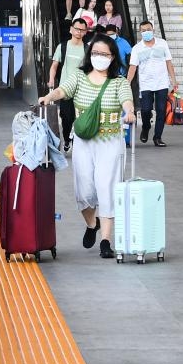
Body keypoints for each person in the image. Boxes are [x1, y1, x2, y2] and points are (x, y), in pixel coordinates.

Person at [38, 35, 135, 260]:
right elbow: (63, 90)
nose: (100, 58)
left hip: (110, 142)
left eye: (105, 54)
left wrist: (129, 111)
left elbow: (126, 100)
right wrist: (49, 97)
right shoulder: (80, 77)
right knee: (84, 190)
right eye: (96, 53)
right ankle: (93, 224)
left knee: (107, 188)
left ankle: (105, 241)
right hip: (83, 141)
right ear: (89, 55)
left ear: (113, 57)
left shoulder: (119, 82)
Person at [126, 21, 178, 147]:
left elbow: (168, 63)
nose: (146, 32)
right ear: (140, 32)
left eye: (148, 29)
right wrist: (127, 83)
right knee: (145, 109)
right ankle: (146, 127)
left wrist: (174, 80)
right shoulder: (137, 49)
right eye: (143, 30)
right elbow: (133, 67)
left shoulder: (162, 43)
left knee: (161, 110)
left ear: (153, 29)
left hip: (162, 83)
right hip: (146, 84)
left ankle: (157, 137)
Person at [48, 18, 89, 152]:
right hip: (65, 90)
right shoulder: (63, 46)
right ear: (71, 29)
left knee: (80, 119)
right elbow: (54, 66)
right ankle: (67, 139)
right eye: (77, 29)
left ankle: (77, 142)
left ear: (85, 32)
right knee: (66, 118)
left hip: (82, 91)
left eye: (82, 30)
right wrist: (51, 80)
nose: (79, 32)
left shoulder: (87, 49)